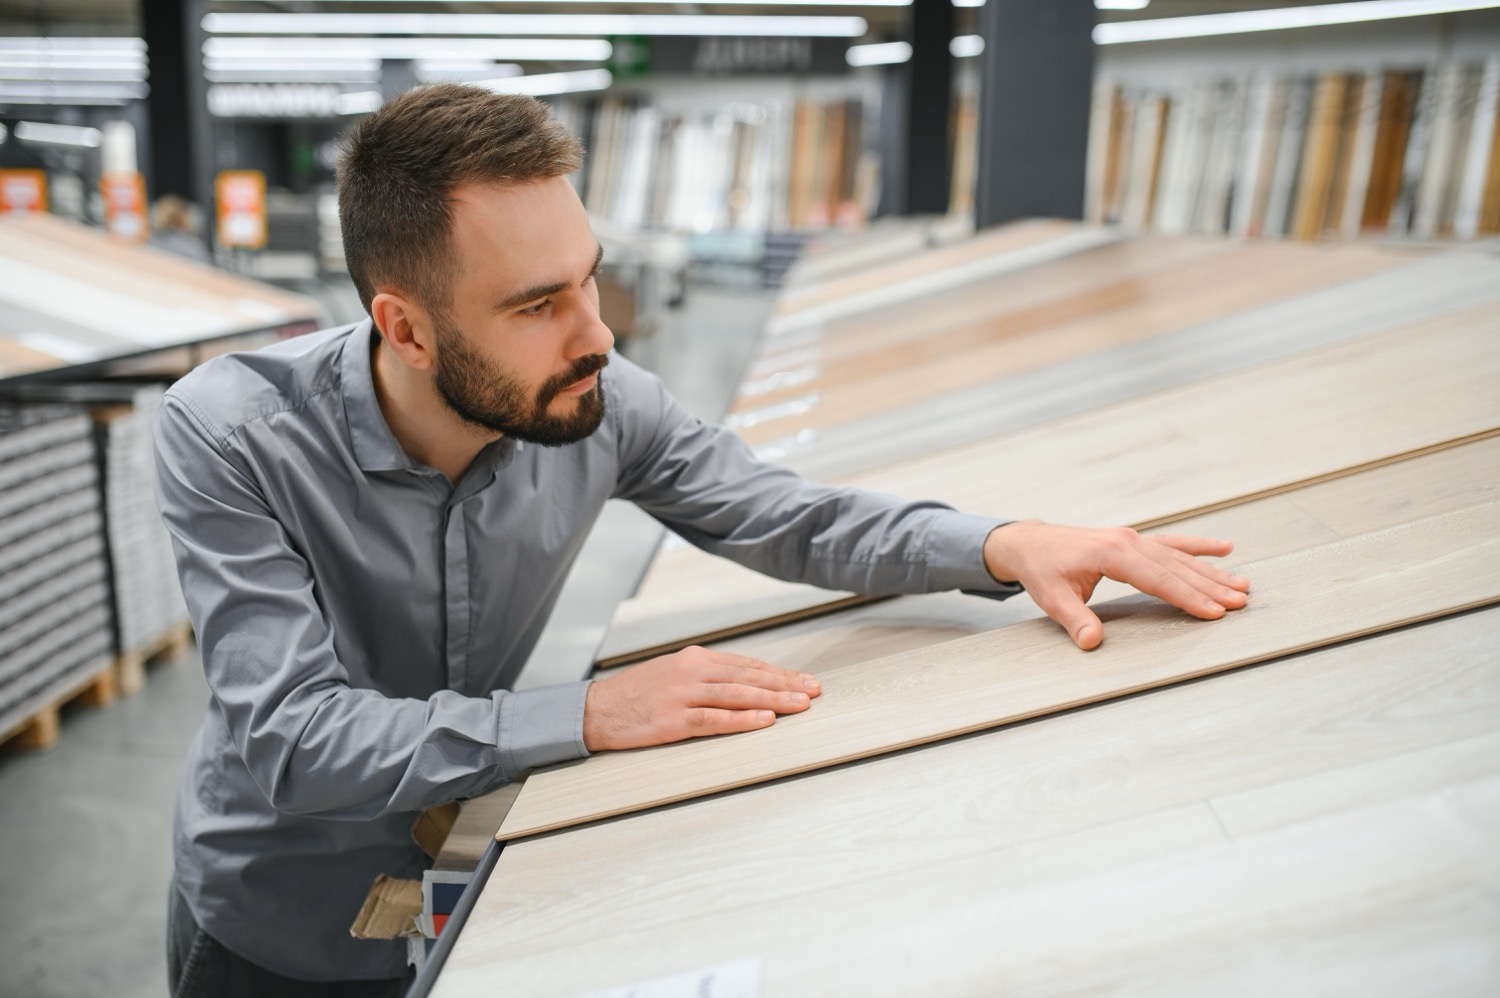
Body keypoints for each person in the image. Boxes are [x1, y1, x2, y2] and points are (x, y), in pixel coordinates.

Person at [156, 84, 1250, 996]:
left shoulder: (600, 398)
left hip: (459, 897)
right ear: (404, 325)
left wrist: (1007, 543)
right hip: (271, 930)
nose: (599, 332)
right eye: (538, 304)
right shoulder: (233, 435)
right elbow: (294, 742)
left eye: (590, 276)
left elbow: (788, 513)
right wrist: (590, 709)